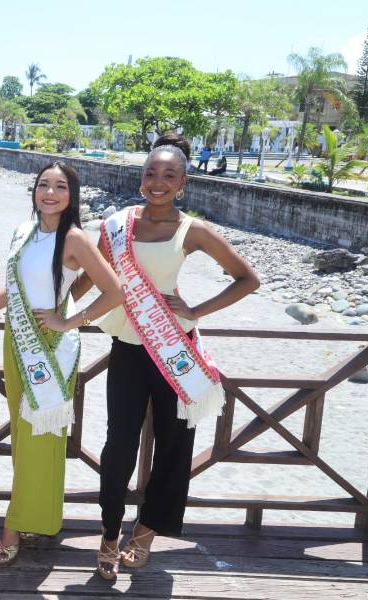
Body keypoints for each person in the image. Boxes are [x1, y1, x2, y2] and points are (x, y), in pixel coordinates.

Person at [73, 136, 260, 582]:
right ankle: (109, 534)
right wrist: (58, 314)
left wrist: (195, 311)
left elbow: (247, 279)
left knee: (175, 448)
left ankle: (148, 530)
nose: (157, 183)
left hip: (172, 350)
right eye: (150, 173)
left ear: (183, 183)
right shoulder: (116, 224)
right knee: (118, 446)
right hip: (128, 348)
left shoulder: (191, 230)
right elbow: (89, 278)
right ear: (141, 178)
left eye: (168, 176)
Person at [0, 161, 123, 567]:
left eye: (60, 187)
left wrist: (70, 319)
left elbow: (114, 290)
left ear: (71, 196)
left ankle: (16, 524)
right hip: (17, 342)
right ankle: (34, 516)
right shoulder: (22, 232)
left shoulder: (75, 238)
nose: (50, 193)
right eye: (43, 184)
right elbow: (12, 291)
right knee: (23, 441)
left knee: (40, 440)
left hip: (51, 348)